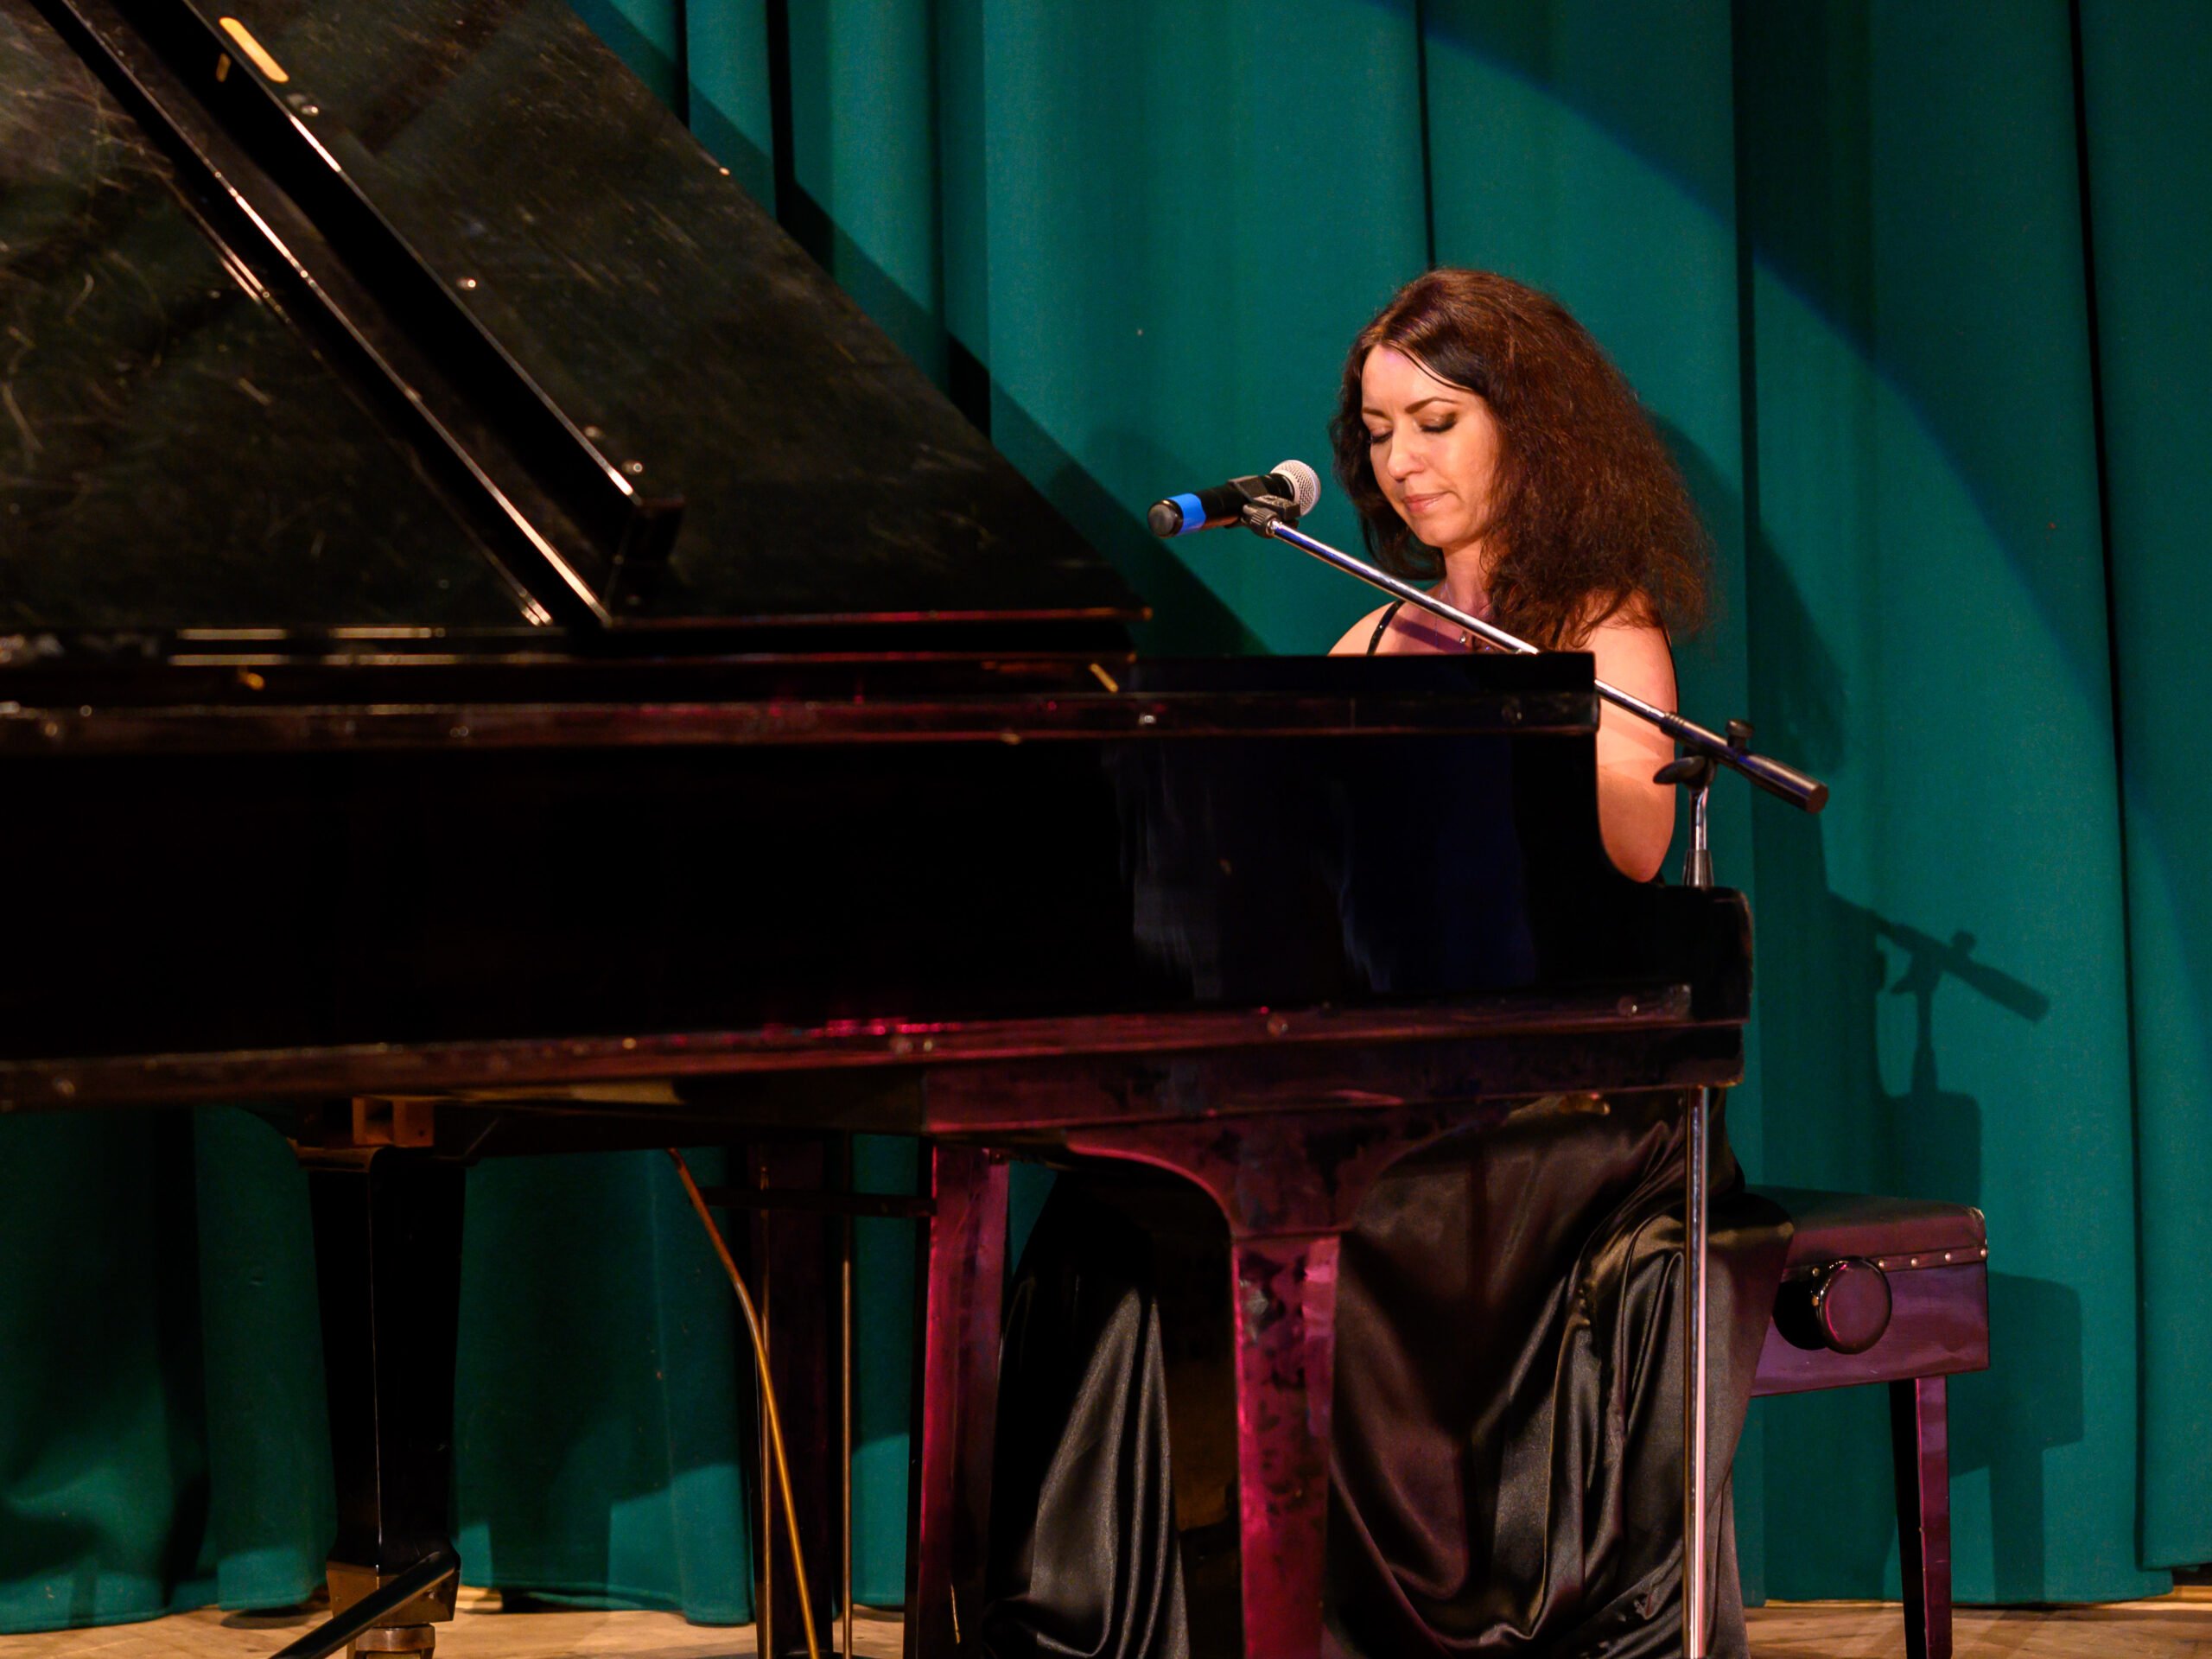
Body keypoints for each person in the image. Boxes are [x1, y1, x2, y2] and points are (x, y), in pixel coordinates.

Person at [978, 270, 1787, 1659]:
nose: (1403, 461)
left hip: (1566, 1107)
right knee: (1129, 1201)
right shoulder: (1373, 631)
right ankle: (1138, 1623)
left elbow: (1636, 850)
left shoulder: (1604, 629)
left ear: (1530, 425)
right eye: (1379, 432)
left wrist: (1512, 718)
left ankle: (1361, 1614)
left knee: (1332, 1211)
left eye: (1437, 422)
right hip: (1408, 1065)